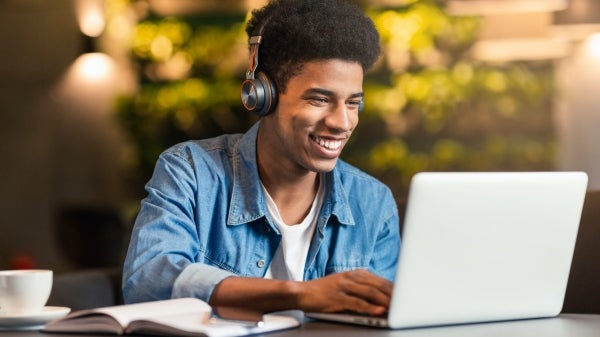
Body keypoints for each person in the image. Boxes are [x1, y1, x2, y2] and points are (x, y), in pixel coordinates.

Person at [122, 0, 401, 316]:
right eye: (320, 99)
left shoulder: (374, 204)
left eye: (353, 103)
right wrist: (298, 294)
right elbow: (147, 280)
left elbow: (386, 319)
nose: (341, 122)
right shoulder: (190, 173)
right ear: (261, 95)